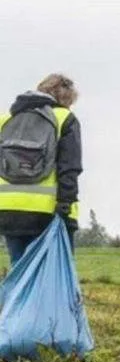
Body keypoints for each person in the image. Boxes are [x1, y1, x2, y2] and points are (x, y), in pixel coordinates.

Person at [0, 74, 82, 264]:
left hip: (9, 209)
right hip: (49, 211)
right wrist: (66, 205)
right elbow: (69, 168)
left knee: (20, 273)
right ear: (65, 98)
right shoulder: (64, 119)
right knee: (56, 273)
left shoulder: (6, 119)